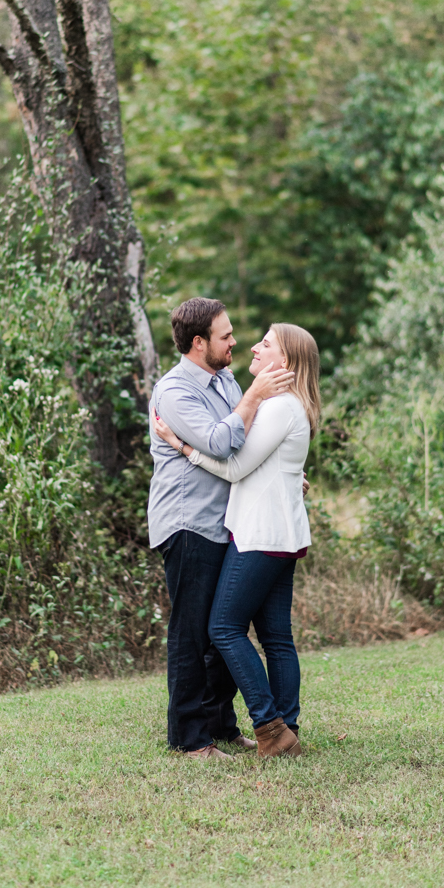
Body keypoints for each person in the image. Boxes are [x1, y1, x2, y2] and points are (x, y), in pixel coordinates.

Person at [153, 322, 319, 759]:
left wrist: (178, 444)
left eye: (266, 344)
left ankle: (271, 725)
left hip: (261, 533)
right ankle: (287, 729)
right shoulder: (279, 404)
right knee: (275, 636)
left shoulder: (280, 407)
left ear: (286, 362)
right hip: (279, 531)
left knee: (223, 627)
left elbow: (235, 468)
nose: (253, 347)